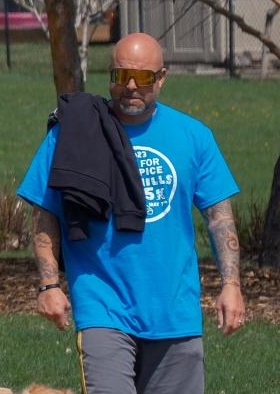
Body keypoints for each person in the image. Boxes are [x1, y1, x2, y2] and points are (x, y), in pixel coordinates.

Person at [22, 33, 246, 394]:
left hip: (175, 312)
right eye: (120, 75)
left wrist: (231, 285)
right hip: (102, 307)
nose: (130, 86)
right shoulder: (74, 133)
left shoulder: (193, 136)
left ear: (161, 78)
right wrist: (49, 285)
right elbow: (45, 209)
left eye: (142, 77)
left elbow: (220, 218)